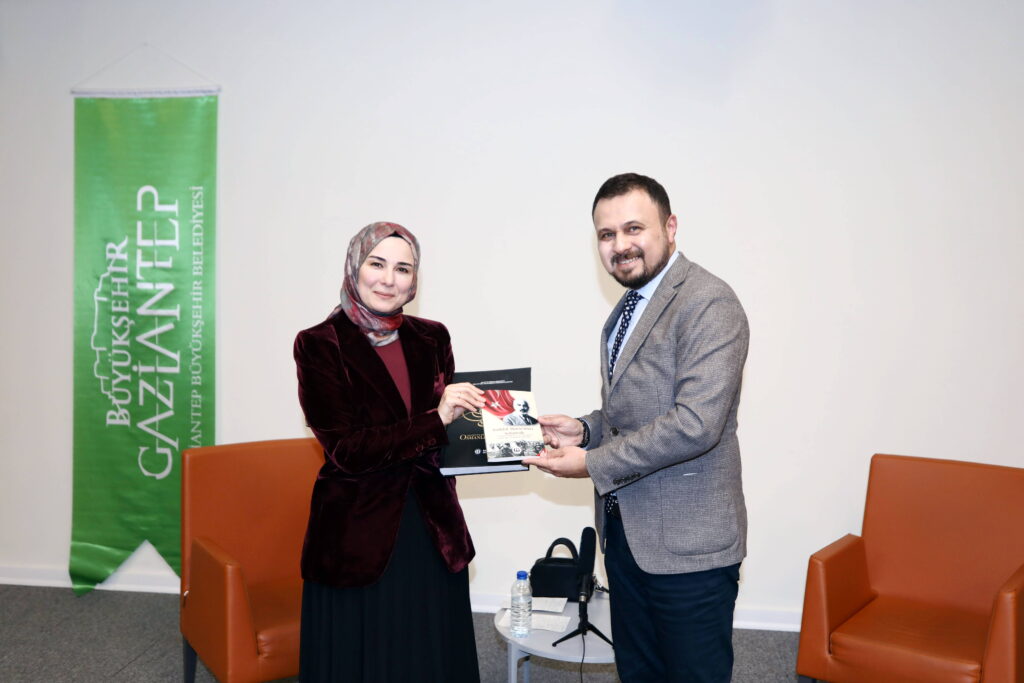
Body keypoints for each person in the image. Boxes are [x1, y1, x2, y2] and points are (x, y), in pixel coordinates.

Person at [523, 173, 749, 683]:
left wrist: (591, 462)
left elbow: (696, 423)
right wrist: (584, 430)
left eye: (633, 228)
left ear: (670, 227)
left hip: (689, 550)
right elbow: (630, 414)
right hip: (626, 540)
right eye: (607, 234)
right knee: (639, 673)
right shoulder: (627, 308)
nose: (620, 245)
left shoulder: (709, 302)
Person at [293, 221, 485, 682]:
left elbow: (449, 433)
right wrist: (436, 420)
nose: (388, 279)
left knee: (429, 656)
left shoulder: (433, 337)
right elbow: (347, 450)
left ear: (414, 279)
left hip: (432, 526)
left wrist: (503, 438)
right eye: (377, 264)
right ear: (354, 267)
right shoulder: (319, 344)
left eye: (403, 269)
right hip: (358, 533)